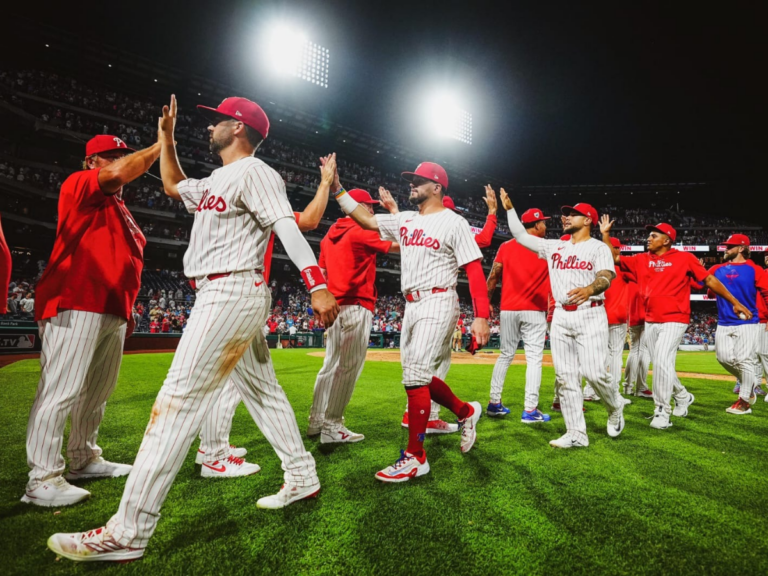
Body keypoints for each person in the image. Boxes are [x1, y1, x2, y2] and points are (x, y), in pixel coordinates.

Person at [47, 95, 339, 562]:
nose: (209, 127)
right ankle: (302, 475)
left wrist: (316, 284)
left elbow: (287, 226)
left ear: (239, 129)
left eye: (217, 120)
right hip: (225, 292)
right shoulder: (218, 179)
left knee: (176, 404)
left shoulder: (255, 172)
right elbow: (173, 185)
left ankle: (128, 531)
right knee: (265, 394)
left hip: (230, 291)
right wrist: (166, 139)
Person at [23, 135, 160, 508]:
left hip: (112, 308)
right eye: (110, 157)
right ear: (91, 162)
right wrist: (160, 144)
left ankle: (83, 458)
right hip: (76, 298)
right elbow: (118, 173)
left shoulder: (119, 209)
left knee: (96, 391)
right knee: (61, 389)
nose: (119, 162)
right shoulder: (79, 184)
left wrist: (126, 310)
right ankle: (42, 478)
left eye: (122, 155)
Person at [333, 161, 489, 481]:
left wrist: (482, 317)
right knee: (415, 374)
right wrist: (337, 188)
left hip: (439, 298)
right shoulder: (404, 219)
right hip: (412, 305)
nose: (411, 185)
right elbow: (365, 218)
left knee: (416, 375)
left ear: (437, 187)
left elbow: (473, 269)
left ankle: (416, 456)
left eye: (418, 180)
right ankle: (464, 411)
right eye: (411, 180)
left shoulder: (453, 222)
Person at [600, 216, 752, 429]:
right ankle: (682, 395)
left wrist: (734, 301)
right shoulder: (641, 259)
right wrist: (605, 235)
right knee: (661, 364)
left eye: (654, 235)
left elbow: (708, 280)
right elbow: (613, 258)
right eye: (648, 235)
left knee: (662, 360)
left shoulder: (684, 258)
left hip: (675, 318)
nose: (648, 238)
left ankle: (662, 411)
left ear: (667, 240)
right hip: (651, 320)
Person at [501, 191, 625, 448]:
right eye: (565, 213)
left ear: (589, 220)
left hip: (590, 313)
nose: (565, 217)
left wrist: (590, 289)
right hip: (560, 316)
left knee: (594, 374)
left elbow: (606, 276)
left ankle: (614, 408)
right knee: (565, 377)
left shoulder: (598, 247)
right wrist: (511, 209)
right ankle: (576, 434)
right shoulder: (555, 245)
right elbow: (521, 235)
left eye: (572, 214)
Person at [308, 188, 399, 444]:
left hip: (334, 308)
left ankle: (316, 421)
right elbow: (398, 247)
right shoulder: (362, 229)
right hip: (357, 306)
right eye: (368, 206)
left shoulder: (328, 235)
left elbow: (321, 272)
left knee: (329, 366)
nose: (371, 210)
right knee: (348, 368)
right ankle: (332, 425)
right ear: (357, 206)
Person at [485, 204, 552, 422]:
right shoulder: (545, 247)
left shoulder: (506, 246)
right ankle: (530, 410)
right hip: (534, 310)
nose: (545, 225)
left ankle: (494, 403)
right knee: (534, 359)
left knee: (505, 355)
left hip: (508, 310)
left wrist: (486, 302)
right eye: (543, 222)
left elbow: (493, 276)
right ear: (536, 225)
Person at [707, 234, 768, 415]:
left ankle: (744, 401)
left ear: (742, 248)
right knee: (722, 357)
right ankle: (749, 383)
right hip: (724, 321)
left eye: (730, 246)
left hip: (749, 322)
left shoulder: (755, 270)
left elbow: (766, 293)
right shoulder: (717, 268)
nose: (726, 249)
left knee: (744, 359)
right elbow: (711, 293)